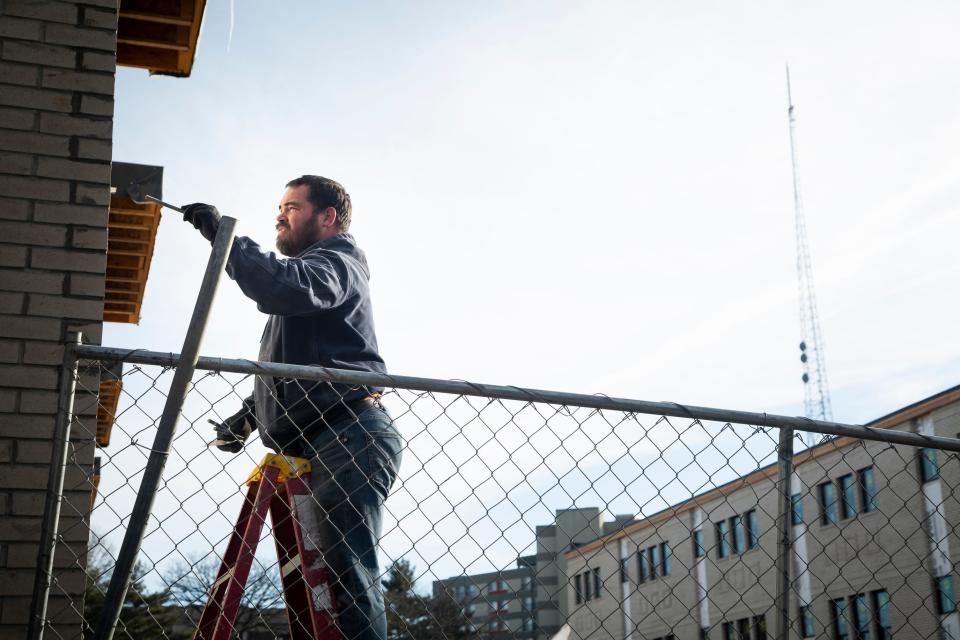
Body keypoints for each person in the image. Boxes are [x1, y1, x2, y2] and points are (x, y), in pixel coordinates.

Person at [182, 175, 402, 640]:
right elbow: (289, 373)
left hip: (348, 434)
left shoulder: (337, 262)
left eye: (292, 207)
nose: (280, 215)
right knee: (325, 586)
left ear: (328, 218)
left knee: (348, 578)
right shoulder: (304, 289)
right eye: (279, 207)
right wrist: (247, 417)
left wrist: (226, 239)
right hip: (321, 440)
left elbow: (288, 288)